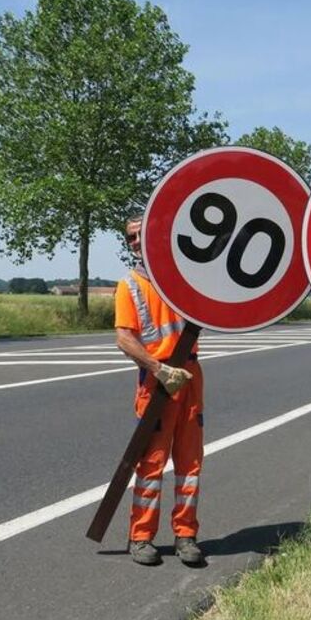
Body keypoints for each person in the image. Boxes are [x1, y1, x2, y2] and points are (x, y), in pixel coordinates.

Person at [113, 214, 206, 567]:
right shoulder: (131, 285)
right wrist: (158, 368)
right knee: (151, 464)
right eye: (130, 239)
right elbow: (124, 337)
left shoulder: (185, 280)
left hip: (191, 377)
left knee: (190, 463)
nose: (135, 243)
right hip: (156, 381)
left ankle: (186, 535)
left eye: (139, 235)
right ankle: (141, 538)